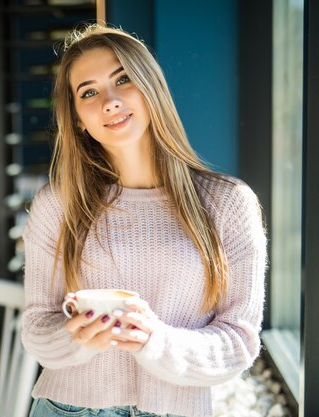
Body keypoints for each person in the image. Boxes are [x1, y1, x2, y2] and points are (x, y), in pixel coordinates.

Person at [21, 24, 267, 417]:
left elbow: (238, 342)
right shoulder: (57, 205)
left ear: (152, 87)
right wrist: (77, 337)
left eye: (124, 79)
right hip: (67, 408)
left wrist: (156, 341)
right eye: (89, 91)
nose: (110, 100)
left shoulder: (229, 204)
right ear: (79, 119)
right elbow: (36, 328)